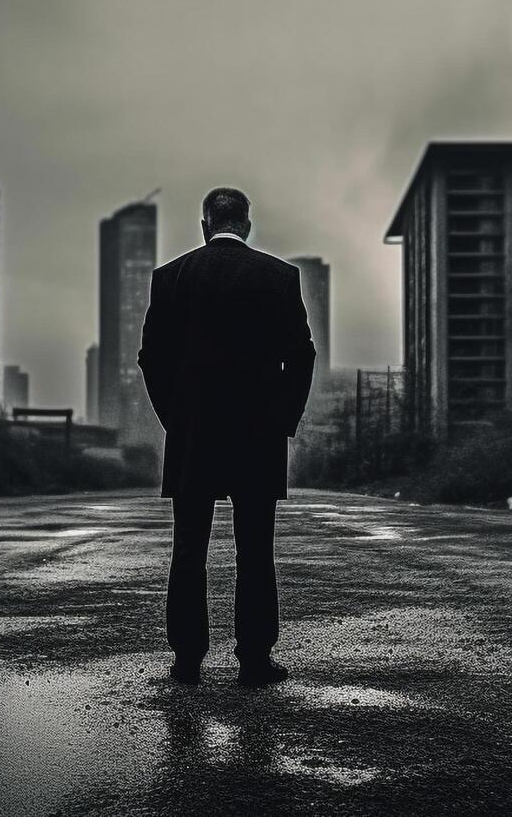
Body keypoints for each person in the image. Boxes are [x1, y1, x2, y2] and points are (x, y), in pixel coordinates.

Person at [138, 187, 316, 687]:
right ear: (247, 225)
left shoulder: (170, 278)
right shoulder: (279, 277)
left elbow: (152, 357)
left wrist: (175, 417)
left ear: (204, 224)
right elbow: (302, 355)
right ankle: (255, 660)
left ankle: (187, 660)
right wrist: (283, 419)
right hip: (257, 435)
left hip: (193, 433)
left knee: (188, 547)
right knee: (255, 549)